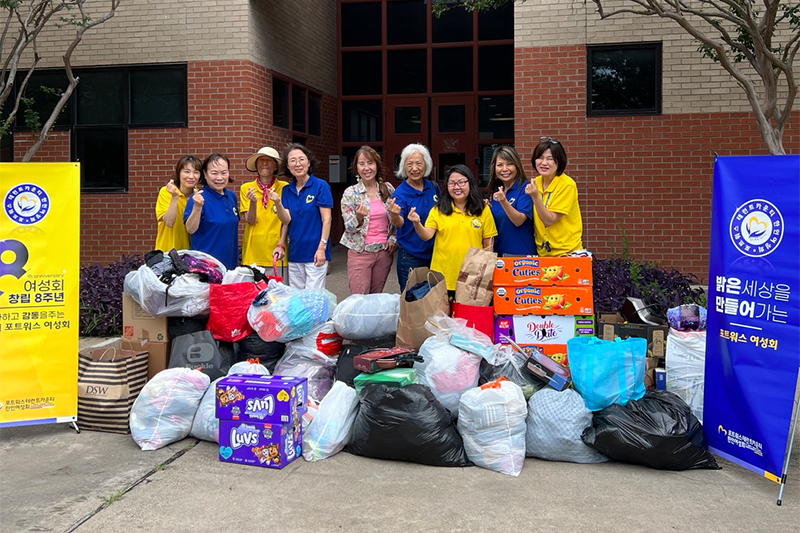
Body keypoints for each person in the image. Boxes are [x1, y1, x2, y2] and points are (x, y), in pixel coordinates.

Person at [408, 164, 497, 294]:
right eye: (452, 183)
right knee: (443, 314)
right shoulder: (438, 209)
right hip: (443, 275)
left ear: (470, 183)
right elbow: (427, 235)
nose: (457, 187)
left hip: (472, 276)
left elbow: (488, 243)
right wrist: (417, 223)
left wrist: (486, 272)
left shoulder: (483, 209)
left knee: (468, 314)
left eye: (461, 182)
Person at [269, 144, 333, 290]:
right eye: (293, 160)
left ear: (309, 162)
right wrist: (278, 203)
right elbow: (286, 221)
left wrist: (322, 248)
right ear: (288, 166)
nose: (297, 164)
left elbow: (327, 219)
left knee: (313, 299)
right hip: (295, 253)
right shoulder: (287, 190)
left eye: (301, 159)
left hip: (315, 253)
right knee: (297, 299)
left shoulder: (320, 186)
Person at [340, 146, 397, 294]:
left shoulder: (388, 189)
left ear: (377, 165)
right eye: (362, 164)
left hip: (383, 253)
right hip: (360, 252)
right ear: (356, 168)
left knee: (375, 299)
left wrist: (393, 238)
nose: (367, 168)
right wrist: (359, 218)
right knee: (359, 300)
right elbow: (349, 227)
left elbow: (397, 219)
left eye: (370, 163)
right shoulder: (350, 193)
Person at [387, 143, 441, 291]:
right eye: (409, 164)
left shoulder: (434, 187)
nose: (414, 168)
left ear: (426, 165)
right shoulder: (400, 193)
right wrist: (394, 214)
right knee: (412, 299)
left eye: (419, 163)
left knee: (435, 297)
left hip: (435, 254)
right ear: (404, 167)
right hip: (411, 256)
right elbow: (399, 223)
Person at [525, 137, 584, 257]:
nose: (544, 163)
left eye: (550, 159)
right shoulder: (536, 182)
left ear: (559, 161)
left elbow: (549, 220)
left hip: (567, 253)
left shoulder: (567, 184)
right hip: (543, 253)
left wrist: (536, 197)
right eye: (540, 158)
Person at [184, 153, 240, 269]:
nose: (219, 178)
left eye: (224, 173)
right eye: (214, 173)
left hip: (230, 266)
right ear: (205, 174)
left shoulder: (231, 196)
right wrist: (198, 207)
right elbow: (190, 229)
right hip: (206, 268)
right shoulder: (199, 197)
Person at [241, 146, 288, 269]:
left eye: (269, 160)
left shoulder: (285, 188)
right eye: (261, 160)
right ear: (256, 165)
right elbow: (251, 220)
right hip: (253, 253)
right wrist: (253, 202)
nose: (265, 163)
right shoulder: (246, 188)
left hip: (277, 252)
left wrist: (282, 244)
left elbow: (287, 221)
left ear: (276, 166)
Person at [487, 146, 536, 257]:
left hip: (521, 258)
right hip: (499, 257)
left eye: (509, 164)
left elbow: (518, 220)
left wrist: (503, 201)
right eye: (500, 165)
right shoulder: (496, 192)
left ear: (517, 166)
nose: (504, 169)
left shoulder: (525, 189)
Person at [155, 155, 202, 252]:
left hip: (190, 255)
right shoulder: (166, 192)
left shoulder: (200, 196)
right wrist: (175, 197)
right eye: (186, 171)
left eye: (196, 172)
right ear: (179, 173)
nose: (191, 176)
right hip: (167, 254)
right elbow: (169, 222)